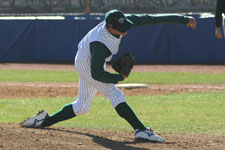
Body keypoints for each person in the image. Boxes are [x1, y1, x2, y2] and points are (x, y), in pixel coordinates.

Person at [21, 9, 197, 143]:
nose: (126, 28)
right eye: (121, 27)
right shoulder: (101, 43)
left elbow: (152, 19)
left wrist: (183, 20)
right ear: (110, 26)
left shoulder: (121, 22)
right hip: (87, 64)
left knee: (82, 107)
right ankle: (140, 130)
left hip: (88, 58)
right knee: (115, 94)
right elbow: (96, 73)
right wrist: (118, 78)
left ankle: (44, 120)